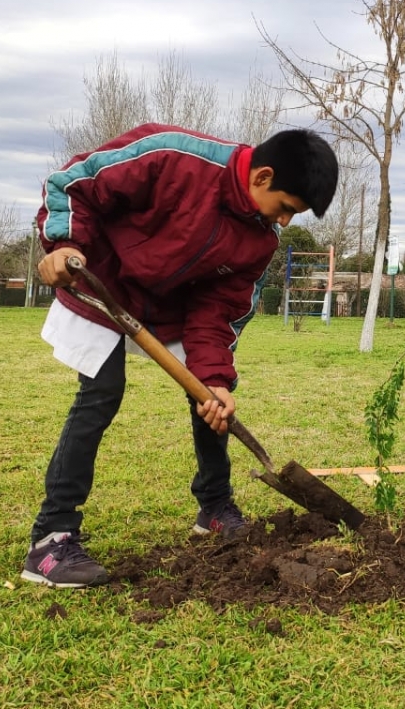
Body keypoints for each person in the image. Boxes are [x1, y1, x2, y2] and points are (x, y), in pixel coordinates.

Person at [21, 124, 339, 588]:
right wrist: (65, 242)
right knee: (101, 394)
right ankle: (51, 538)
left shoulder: (259, 238)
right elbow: (73, 184)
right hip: (101, 283)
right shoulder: (173, 157)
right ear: (263, 177)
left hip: (166, 308)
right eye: (286, 208)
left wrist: (214, 379)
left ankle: (214, 507)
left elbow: (217, 311)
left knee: (209, 401)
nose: (285, 222)